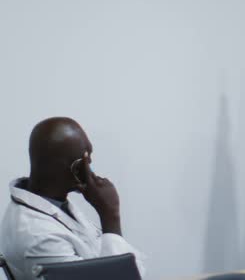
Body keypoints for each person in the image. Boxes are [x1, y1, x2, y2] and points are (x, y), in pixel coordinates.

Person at [0, 117, 145, 279]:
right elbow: (121, 276)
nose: (89, 164)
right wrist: (110, 217)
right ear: (72, 169)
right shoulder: (38, 235)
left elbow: (133, 268)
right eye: (83, 159)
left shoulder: (55, 205)